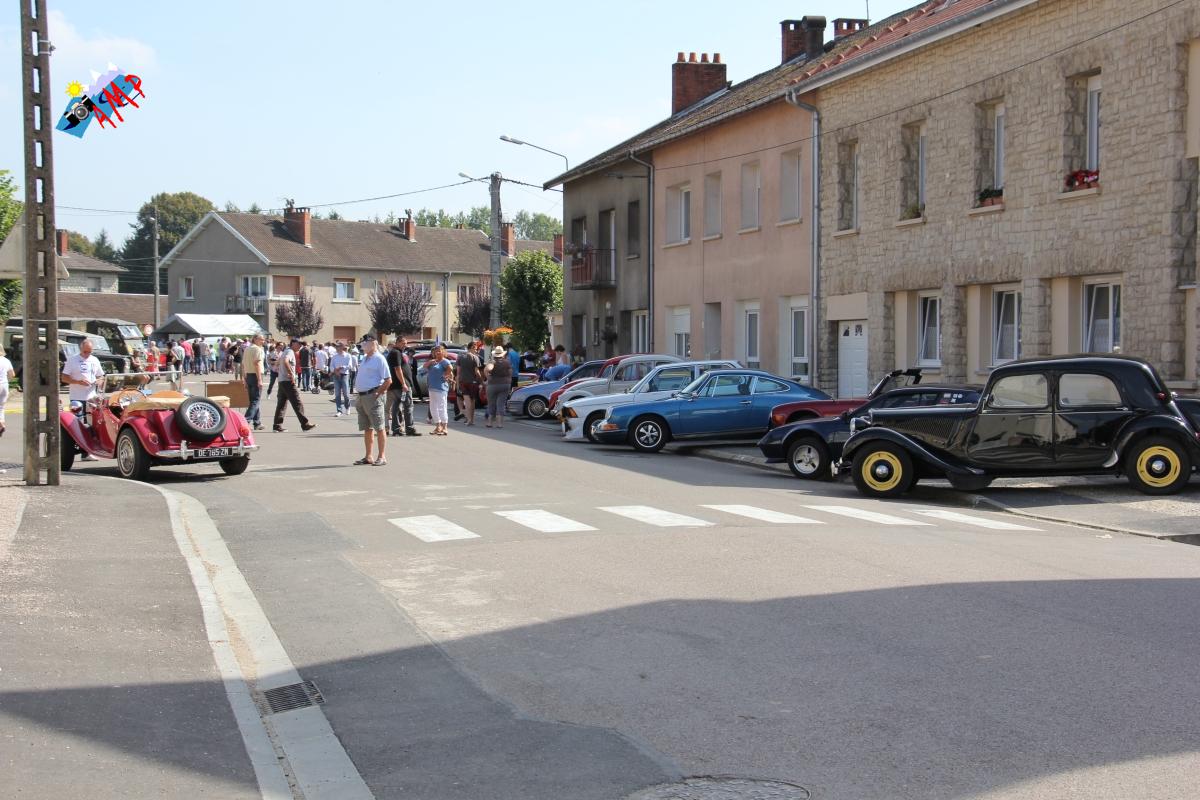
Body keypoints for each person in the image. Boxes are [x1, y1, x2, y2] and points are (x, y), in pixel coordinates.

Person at [61, 337, 106, 460]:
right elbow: (64, 377)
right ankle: (79, 449)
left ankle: (87, 452)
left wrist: (99, 381)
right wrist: (78, 381)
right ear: (81, 349)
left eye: (89, 352)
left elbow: (101, 376)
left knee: (91, 425)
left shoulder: (94, 360)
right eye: (85, 352)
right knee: (79, 424)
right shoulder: (72, 360)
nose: (87, 354)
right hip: (77, 397)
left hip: (91, 397)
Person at [352, 335, 391, 465]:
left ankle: (382, 457)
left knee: (379, 427)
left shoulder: (379, 359)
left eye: (365, 343)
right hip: (362, 396)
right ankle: (368, 456)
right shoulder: (365, 358)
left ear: (373, 343)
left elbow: (388, 380)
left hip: (372, 397)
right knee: (367, 427)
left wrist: (377, 393)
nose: (362, 345)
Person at [273, 339, 316, 433]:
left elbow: (278, 362)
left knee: (281, 404)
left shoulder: (286, 351)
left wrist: (279, 370)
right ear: (293, 344)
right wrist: (290, 374)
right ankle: (305, 424)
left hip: (282, 381)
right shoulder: (290, 351)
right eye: (298, 344)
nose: (300, 346)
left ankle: (277, 425)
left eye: (301, 344)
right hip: (288, 381)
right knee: (297, 403)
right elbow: (285, 361)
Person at [425, 344, 455, 436]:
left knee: (442, 407)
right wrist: (430, 362)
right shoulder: (433, 361)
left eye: (439, 351)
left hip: (441, 388)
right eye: (436, 351)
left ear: (443, 352)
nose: (437, 352)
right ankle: (438, 426)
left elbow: (450, 368)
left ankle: (444, 427)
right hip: (432, 387)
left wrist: (446, 375)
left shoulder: (444, 361)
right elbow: (424, 367)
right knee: (433, 407)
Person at [484, 345, 512, 429]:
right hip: (505, 384)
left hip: (493, 384)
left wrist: (488, 377)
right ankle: (499, 424)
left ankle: (489, 423)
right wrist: (509, 381)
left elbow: (487, 369)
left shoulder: (492, 362)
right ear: (502, 354)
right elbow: (510, 373)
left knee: (491, 403)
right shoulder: (507, 362)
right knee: (501, 404)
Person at [242, 333, 266, 431]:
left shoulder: (247, 349)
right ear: (255, 339)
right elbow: (256, 364)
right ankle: (245, 421)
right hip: (256, 375)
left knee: (253, 400)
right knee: (255, 400)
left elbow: (243, 364)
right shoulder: (257, 349)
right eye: (261, 339)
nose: (263, 341)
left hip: (249, 375)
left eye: (263, 339)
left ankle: (257, 422)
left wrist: (244, 378)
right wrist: (259, 379)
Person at [456, 341, 482, 426]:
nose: (476, 350)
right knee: (472, 401)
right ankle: (471, 420)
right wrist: (481, 381)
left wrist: (457, 383)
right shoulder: (475, 357)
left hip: (463, 381)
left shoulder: (460, 357)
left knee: (467, 401)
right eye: (475, 348)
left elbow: (458, 372)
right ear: (471, 348)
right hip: (472, 382)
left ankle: (468, 419)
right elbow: (477, 372)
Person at [329, 341, 352, 416]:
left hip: (344, 375)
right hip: (336, 376)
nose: (336, 348)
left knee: (346, 393)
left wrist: (342, 367)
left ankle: (347, 407)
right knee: (337, 394)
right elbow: (331, 366)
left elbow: (350, 366)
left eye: (338, 346)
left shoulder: (348, 355)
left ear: (342, 347)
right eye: (336, 346)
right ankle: (339, 410)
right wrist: (335, 371)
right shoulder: (334, 356)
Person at [0, 344, 14, 438]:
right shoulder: (6, 360)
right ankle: (2, 425)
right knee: (1, 407)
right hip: (4, 386)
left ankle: (1, 425)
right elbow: (12, 374)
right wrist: (7, 381)